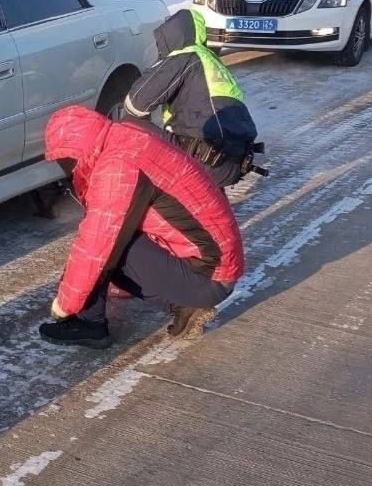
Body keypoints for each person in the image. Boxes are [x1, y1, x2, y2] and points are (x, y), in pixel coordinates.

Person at [39, 105, 245, 347]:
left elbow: (95, 247)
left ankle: (89, 324)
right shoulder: (127, 139)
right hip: (213, 267)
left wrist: (65, 303)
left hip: (208, 276)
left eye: (66, 160)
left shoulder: (118, 167)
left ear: (76, 150)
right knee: (111, 236)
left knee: (107, 247)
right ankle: (184, 305)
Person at [123, 7, 262, 188]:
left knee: (129, 124)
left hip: (202, 162)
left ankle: (139, 189)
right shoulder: (211, 61)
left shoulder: (185, 58)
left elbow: (135, 104)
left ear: (169, 37)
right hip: (233, 163)